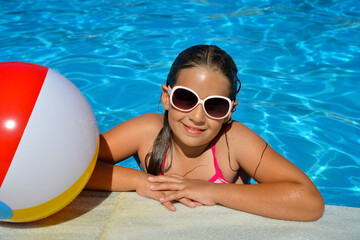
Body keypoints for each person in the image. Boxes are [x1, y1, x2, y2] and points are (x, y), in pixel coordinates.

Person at [86, 45, 324, 221]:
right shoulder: (147, 131)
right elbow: (73, 167)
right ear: (166, 98)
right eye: (185, 98)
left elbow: (309, 201)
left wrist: (211, 190)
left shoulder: (234, 141)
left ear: (230, 111)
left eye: (215, 105)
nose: (198, 117)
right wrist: (142, 182)